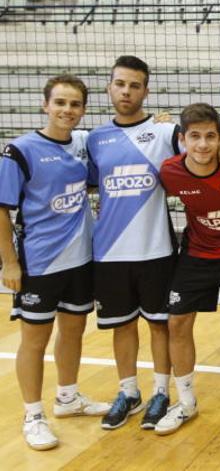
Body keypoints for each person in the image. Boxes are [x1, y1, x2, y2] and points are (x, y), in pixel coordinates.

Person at [87, 56, 220, 431]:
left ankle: (160, 392)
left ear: (146, 91)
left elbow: (204, 136)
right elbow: (90, 184)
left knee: (160, 326)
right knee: (122, 326)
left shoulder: (164, 132)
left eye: (135, 85)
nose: (126, 91)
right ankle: (128, 392)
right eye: (120, 83)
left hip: (156, 248)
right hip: (109, 251)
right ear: (109, 87)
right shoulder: (93, 139)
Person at [0, 75, 111, 450]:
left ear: (82, 110)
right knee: (34, 339)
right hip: (39, 263)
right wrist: (10, 264)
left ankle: (68, 397)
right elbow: (2, 210)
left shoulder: (82, 145)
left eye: (75, 104)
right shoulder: (20, 151)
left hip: (80, 259)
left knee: (74, 330)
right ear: (45, 105)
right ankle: (33, 414)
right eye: (60, 103)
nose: (67, 110)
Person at [154, 103, 220, 437]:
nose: (203, 145)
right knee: (177, 322)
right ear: (183, 139)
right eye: (195, 137)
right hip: (197, 255)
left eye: (211, 137)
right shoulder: (170, 171)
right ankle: (185, 402)